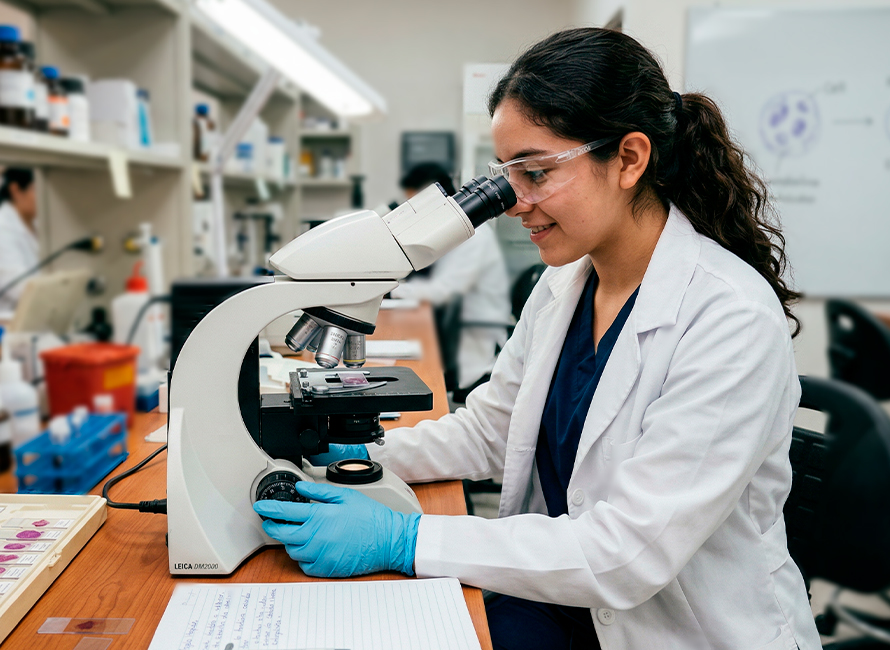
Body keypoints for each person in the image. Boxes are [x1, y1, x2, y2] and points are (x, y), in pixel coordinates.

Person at [254, 28, 822, 650]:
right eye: (506, 174)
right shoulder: (565, 284)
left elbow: (626, 553)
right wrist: (362, 463)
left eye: (536, 172)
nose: (514, 203)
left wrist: (405, 539)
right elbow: (490, 430)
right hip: (562, 602)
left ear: (629, 159)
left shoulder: (728, 316)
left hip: (680, 628)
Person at [391, 162, 512, 398]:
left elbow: (445, 290)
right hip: (450, 323)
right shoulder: (449, 230)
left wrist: (393, 291)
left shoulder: (473, 235)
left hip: (472, 333)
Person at [0, 168, 38, 315]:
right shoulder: (2, 227)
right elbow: (19, 288)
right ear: (16, 190)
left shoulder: (39, 223)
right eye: (36, 189)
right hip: (9, 322)